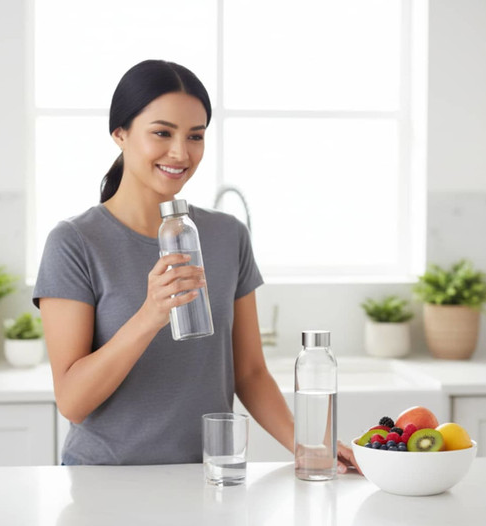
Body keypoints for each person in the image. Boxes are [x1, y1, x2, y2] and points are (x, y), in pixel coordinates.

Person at [33, 59, 360, 473]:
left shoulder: (228, 236)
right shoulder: (75, 243)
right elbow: (72, 402)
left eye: (195, 136)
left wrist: (307, 445)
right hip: (104, 481)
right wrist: (150, 315)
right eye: (162, 133)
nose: (180, 152)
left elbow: (251, 373)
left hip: (209, 477)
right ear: (120, 133)